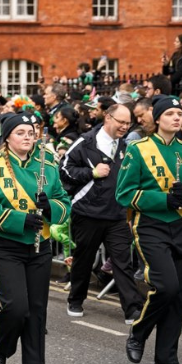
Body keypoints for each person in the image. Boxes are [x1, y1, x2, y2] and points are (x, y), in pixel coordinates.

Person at [0, 113, 71, 364]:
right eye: (20, 132)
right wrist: (19, 219)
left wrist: (49, 207)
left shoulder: (47, 166)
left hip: (40, 248)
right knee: (16, 308)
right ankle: (0, 351)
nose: (27, 137)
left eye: (31, 133)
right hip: (6, 247)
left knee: (37, 311)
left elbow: (65, 201)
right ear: (7, 137)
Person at [116, 95, 182, 364]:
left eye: (181, 113)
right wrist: (164, 199)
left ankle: (166, 359)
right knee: (165, 286)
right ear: (158, 118)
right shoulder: (138, 149)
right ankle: (139, 331)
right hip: (150, 226)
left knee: (177, 296)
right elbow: (124, 194)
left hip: (179, 227)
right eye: (171, 114)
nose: (178, 118)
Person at [60, 104, 144, 325]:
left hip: (116, 213)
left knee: (122, 261)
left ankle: (132, 309)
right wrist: (92, 172)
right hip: (87, 211)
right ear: (108, 118)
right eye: (121, 122)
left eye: (128, 123)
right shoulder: (86, 142)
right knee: (84, 259)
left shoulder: (127, 146)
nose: (125, 127)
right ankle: (76, 300)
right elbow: (65, 168)